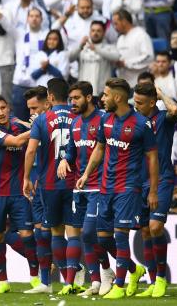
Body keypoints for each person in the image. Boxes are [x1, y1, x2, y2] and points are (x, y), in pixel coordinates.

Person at [75, 78, 157, 299]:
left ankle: (119, 285)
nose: (103, 98)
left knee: (120, 236)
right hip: (105, 186)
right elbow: (100, 148)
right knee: (103, 239)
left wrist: (153, 190)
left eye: (106, 94)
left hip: (128, 188)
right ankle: (133, 269)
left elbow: (152, 158)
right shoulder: (106, 120)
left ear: (117, 97)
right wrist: (85, 174)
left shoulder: (141, 124)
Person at [57, 81, 116, 296]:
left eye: (77, 98)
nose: (72, 102)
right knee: (85, 236)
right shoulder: (74, 123)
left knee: (92, 233)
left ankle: (114, 270)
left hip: (99, 186)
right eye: (71, 98)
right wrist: (64, 160)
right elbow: (71, 151)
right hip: (79, 187)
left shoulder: (103, 119)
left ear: (89, 97)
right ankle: (96, 282)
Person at [0, 94, 39, 294]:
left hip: (17, 192)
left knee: (27, 235)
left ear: (9, 108)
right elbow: (16, 141)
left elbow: (32, 143)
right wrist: (38, 127)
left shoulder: (19, 125)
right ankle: (3, 281)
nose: (1, 112)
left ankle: (35, 279)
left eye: (3, 108)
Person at [23, 78, 77, 294]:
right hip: (75, 182)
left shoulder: (43, 119)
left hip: (50, 182)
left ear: (50, 97)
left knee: (55, 232)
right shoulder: (78, 116)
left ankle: (48, 283)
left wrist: (27, 177)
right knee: (74, 233)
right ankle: (73, 281)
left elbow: (30, 150)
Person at [132, 83, 177, 298]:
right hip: (138, 181)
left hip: (162, 180)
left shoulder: (163, 119)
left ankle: (161, 278)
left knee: (155, 227)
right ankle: (152, 281)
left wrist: (161, 94)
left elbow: (175, 110)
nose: (136, 106)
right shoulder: (135, 121)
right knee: (145, 231)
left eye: (140, 103)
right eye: (135, 101)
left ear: (153, 102)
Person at [112, 9, 153, 87]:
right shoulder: (120, 38)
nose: (114, 27)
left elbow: (148, 57)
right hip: (123, 84)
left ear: (124, 21)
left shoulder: (141, 35)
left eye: (116, 24)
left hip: (138, 84)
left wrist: (126, 63)